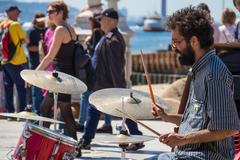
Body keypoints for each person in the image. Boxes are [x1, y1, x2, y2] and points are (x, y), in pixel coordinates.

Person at [153, 6, 240, 160]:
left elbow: (228, 128)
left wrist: (183, 139)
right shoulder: (198, 70)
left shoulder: (214, 74)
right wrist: (166, 116)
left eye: (176, 42)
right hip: (187, 154)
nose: (174, 49)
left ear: (193, 41)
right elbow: (195, 121)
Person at [78, 8, 144, 151]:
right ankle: (137, 137)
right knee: (101, 110)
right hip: (101, 84)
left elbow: (115, 67)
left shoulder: (113, 40)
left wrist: (119, 89)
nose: (100, 22)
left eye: (102, 19)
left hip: (106, 86)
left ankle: (86, 140)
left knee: (101, 110)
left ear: (110, 21)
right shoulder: (107, 37)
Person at [36, 1, 77, 140]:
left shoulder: (60, 30)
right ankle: (74, 145)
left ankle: (43, 141)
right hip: (67, 75)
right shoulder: (71, 29)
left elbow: (50, 56)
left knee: (45, 108)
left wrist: (34, 74)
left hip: (59, 77)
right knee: (65, 111)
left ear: (60, 13)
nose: (48, 14)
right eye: (47, 12)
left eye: (51, 11)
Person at [76, 13, 113, 133]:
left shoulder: (96, 32)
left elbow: (93, 51)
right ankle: (107, 124)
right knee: (105, 98)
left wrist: (86, 44)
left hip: (93, 72)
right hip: (104, 72)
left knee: (85, 95)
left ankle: (81, 122)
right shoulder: (106, 34)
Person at [1, 6, 29, 117]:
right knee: (21, 86)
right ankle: (21, 112)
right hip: (17, 60)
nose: (18, 15)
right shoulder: (15, 25)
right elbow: (26, 40)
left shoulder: (2, 24)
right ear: (11, 12)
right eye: (17, 12)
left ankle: (10, 112)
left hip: (4, 60)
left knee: (8, 87)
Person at [27, 12, 46, 114]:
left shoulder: (46, 30)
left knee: (43, 92)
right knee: (37, 92)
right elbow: (29, 47)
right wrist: (41, 48)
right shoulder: (31, 31)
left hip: (45, 66)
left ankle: (43, 112)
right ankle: (36, 113)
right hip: (35, 65)